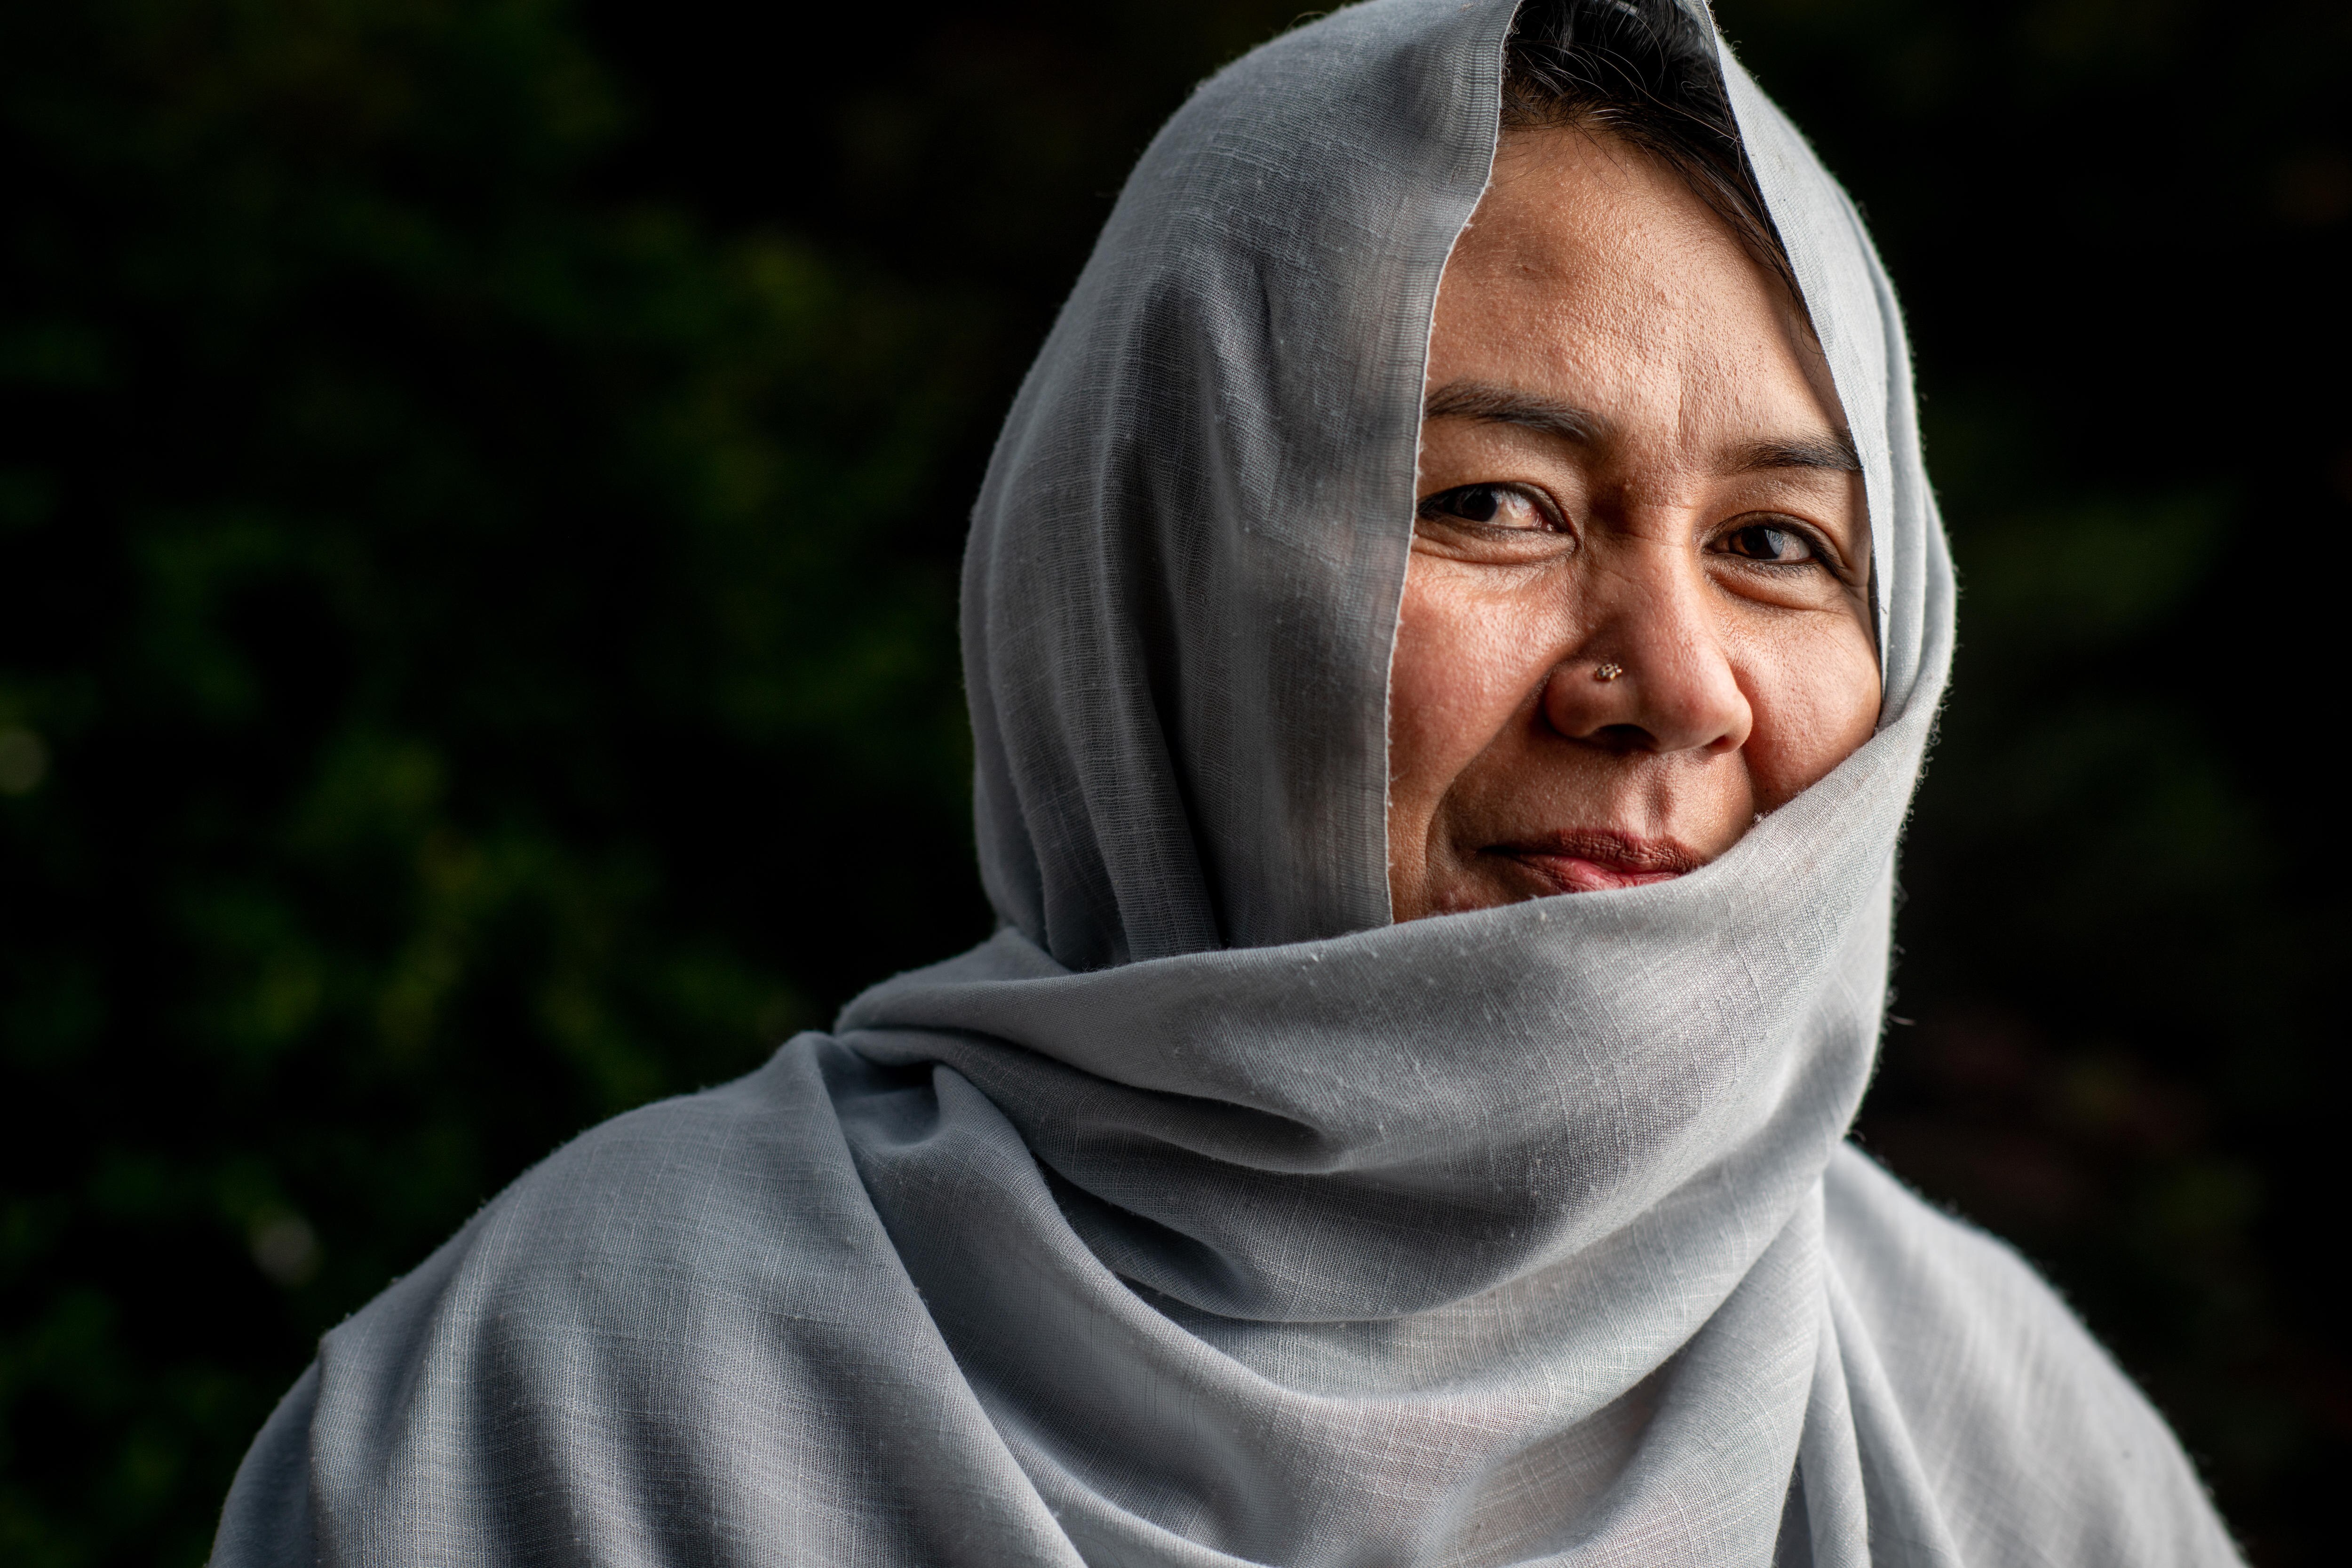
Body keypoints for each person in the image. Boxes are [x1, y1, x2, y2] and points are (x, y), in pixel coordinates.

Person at [209, 0, 2244, 1562]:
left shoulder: (1995, 1446)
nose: (1674, 684)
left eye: (1780, 545)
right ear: (1161, 567)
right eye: (1495, 502)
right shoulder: (582, 1403)